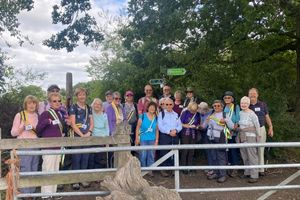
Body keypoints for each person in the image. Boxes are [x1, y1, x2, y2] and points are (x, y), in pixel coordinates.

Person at [36, 93, 66, 198]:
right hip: (48, 147)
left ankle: (53, 193)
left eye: (59, 101)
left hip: (58, 146)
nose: (57, 103)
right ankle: (45, 195)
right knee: (48, 170)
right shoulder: (45, 114)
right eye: (54, 101)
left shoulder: (59, 114)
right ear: (49, 102)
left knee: (55, 171)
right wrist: (46, 122)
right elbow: (38, 130)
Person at [11, 95, 39, 197]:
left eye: (34, 103)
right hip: (24, 146)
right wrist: (22, 127)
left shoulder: (37, 115)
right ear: (25, 104)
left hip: (36, 145)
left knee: (34, 168)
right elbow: (13, 133)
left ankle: (32, 193)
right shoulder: (20, 115)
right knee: (26, 169)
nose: (32, 105)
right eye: (29, 103)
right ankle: (26, 194)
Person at [69, 87, 94, 190]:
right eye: (80, 94)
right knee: (76, 158)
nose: (82, 96)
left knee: (85, 158)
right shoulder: (73, 107)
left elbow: (92, 122)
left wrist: (89, 132)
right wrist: (81, 135)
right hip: (77, 135)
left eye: (84, 94)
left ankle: (83, 178)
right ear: (77, 96)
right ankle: (75, 180)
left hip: (87, 135)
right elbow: (72, 124)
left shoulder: (89, 107)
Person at [206, 100, 234, 183]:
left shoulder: (225, 115)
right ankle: (216, 172)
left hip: (220, 137)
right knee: (213, 156)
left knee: (221, 156)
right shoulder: (211, 114)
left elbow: (232, 126)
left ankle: (223, 175)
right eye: (215, 106)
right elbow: (207, 125)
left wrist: (226, 121)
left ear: (222, 107)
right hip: (211, 137)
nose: (216, 107)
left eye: (218, 106)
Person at [248, 88, 274, 176]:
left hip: (261, 129)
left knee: (260, 149)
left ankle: (261, 169)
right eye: (250, 93)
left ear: (257, 95)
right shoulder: (246, 105)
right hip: (250, 131)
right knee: (251, 150)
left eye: (254, 93)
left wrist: (270, 127)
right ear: (248, 95)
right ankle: (252, 170)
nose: (252, 95)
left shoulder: (262, 104)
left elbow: (267, 116)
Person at [237, 96, 261, 183]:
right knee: (244, 155)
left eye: (246, 103)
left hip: (251, 136)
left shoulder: (252, 114)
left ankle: (254, 175)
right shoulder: (239, 113)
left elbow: (257, 125)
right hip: (242, 136)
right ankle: (247, 172)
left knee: (252, 156)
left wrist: (259, 136)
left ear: (249, 104)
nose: (244, 105)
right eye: (242, 103)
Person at [158, 98, 182, 177]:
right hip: (165, 136)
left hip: (175, 135)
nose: (168, 106)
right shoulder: (161, 114)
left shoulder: (176, 114)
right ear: (164, 105)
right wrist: (169, 132)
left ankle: (173, 169)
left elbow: (180, 125)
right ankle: (163, 170)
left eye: (170, 104)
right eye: (166, 104)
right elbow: (160, 126)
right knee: (164, 152)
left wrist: (176, 130)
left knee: (174, 152)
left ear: (173, 105)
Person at [135, 102, 159, 177]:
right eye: (150, 107)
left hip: (152, 139)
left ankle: (150, 170)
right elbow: (138, 127)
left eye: (153, 107)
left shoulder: (157, 117)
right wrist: (137, 138)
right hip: (143, 139)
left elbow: (157, 130)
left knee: (151, 155)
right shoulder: (142, 116)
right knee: (143, 155)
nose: (152, 108)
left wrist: (156, 140)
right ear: (147, 108)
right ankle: (143, 170)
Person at [222, 91, 241, 177]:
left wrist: (233, 128)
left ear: (232, 99)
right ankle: (229, 167)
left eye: (229, 98)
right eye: (225, 98)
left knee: (234, 150)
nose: (227, 99)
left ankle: (235, 168)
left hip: (233, 131)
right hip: (226, 131)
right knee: (228, 150)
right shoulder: (223, 107)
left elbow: (237, 119)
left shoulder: (235, 107)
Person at [180, 102, 201, 174]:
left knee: (192, 150)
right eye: (192, 110)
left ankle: (190, 166)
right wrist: (187, 126)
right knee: (185, 150)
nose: (193, 112)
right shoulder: (185, 112)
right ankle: (183, 167)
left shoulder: (197, 114)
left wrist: (197, 126)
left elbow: (198, 123)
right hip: (185, 133)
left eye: (195, 110)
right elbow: (180, 123)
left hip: (193, 134)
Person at [88, 98, 109, 169]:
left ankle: (99, 177)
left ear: (101, 106)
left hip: (102, 138)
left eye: (99, 104)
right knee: (91, 158)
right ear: (92, 105)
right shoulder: (90, 114)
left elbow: (107, 127)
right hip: (92, 138)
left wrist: (107, 140)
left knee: (100, 158)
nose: (97, 105)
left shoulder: (104, 115)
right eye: (95, 104)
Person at [198, 102, 213, 176]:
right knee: (206, 151)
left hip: (208, 133)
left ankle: (212, 168)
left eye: (202, 109)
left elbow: (204, 126)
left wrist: (199, 127)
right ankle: (210, 166)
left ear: (206, 109)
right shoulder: (199, 113)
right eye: (199, 109)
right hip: (203, 134)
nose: (200, 111)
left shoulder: (210, 113)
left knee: (209, 151)